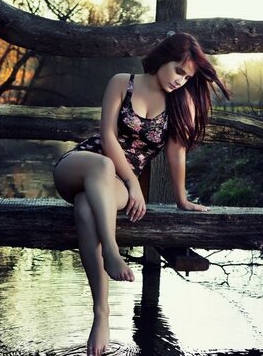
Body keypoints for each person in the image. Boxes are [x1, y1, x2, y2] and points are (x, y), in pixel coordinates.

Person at [53, 32, 230, 355]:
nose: (181, 80)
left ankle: (101, 314)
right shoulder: (122, 82)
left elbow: (176, 154)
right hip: (81, 165)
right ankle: (111, 250)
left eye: (187, 76)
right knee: (102, 168)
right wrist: (135, 184)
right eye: (179, 70)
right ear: (164, 58)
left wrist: (182, 199)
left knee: (84, 208)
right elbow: (107, 135)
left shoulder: (182, 103)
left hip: (113, 189)